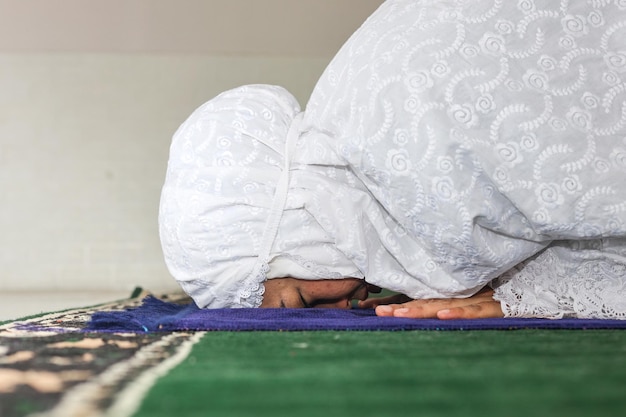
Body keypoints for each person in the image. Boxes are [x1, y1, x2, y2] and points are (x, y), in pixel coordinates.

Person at [159, 0, 626, 320]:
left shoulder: (415, 138)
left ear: (301, 232)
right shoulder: (356, 112)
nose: (341, 312)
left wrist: (531, 296)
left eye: (300, 301)